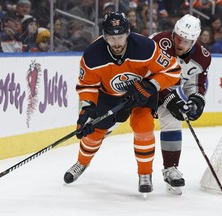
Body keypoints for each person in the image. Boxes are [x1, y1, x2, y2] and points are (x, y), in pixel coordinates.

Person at [63, 12, 181, 194]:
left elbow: (173, 70)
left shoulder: (146, 47)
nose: (116, 42)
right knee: (94, 131)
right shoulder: (92, 55)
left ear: (128, 33)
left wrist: (151, 86)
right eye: (111, 37)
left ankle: (144, 174)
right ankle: (81, 163)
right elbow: (87, 85)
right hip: (108, 95)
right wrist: (87, 109)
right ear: (104, 36)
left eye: (120, 36)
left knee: (144, 126)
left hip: (142, 91)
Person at [149, 14, 211, 194]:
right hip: (142, 91)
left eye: (186, 41)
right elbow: (146, 73)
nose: (180, 43)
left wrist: (196, 100)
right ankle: (83, 158)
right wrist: (168, 96)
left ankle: (170, 169)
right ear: (174, 33)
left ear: (194, 41)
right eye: (178, 38)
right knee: (111, 120)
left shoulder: (202, 57)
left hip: (168, 97)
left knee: (173, 121)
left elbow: (195, 85)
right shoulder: (159, 41)